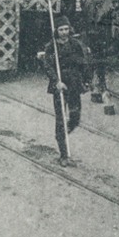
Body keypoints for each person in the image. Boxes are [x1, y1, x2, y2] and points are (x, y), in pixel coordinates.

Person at [36, 18, 88, 165]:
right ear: (56, 31)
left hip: (74, 84)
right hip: (60, 85)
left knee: (75, 116)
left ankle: (63, 134)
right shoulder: (51, 46)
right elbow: (47, 66)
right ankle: (64, 154)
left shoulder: (75, 44)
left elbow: (84, 62)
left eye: (66, 29)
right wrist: (56, 81)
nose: (64, 32)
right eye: (61, 30)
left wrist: (86, 80)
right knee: (60, 119)